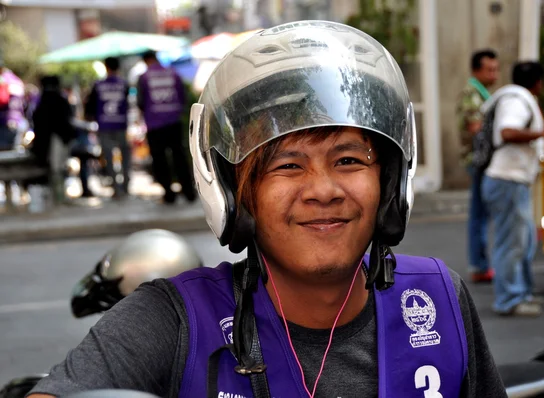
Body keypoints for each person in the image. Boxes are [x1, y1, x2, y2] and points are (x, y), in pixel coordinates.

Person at [27, 21, 505, 398]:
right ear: (236, 194)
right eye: (287, 165)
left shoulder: (439, 303)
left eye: (348, 159)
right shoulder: (174, 323)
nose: (323, 189)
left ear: (391, 180)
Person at [481, 61, 544, 316]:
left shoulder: (516, 98)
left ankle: (520, 293)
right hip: (507, 180)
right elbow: (508, 132)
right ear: (538, 82)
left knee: (522, 240)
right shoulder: (516, 100)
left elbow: (521, 128)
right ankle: (509, 299)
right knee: (512, 242)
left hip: (511, 180)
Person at [455, 49, 499, 283]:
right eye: (489, 69)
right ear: (476, 70)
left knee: (481, 214)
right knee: (479, 215)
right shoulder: (472, 93)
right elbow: (475, 127)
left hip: (480, 160)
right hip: (478, 160)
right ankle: (479, 265)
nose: (495, 74)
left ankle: (480, 263)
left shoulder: (482, 94)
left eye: (496, 69)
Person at [137, 50, 196, 204]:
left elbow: (140, 102)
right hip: (174, 122)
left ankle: (169, 194)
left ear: (146, 60)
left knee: (160, 160)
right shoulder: (173, 73)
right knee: (179, 156)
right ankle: (189, 192)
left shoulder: (144, 77)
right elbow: (183, 97)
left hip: (154, 125)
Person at [85, 57, 131, 198]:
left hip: (104, 125)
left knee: (109, 159)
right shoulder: (124, 84)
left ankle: (117, 189)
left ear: (106, 67)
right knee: (125, 157)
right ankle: (126, 186)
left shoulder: (98, 84)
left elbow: (90, 106)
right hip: (121, 124)